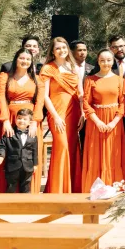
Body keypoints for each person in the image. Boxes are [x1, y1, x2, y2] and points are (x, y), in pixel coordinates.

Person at [0, 48, 46, 193]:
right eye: (21, 58)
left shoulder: (37, 80)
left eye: (28, 59)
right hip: (10, 117)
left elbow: (40, 102)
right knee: (9, 151)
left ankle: (28, 193)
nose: (24, 61)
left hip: (30, 119)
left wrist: (35, 122)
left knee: (29, 151)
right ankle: (7, 193)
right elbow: (0, 100)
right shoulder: (4, 77)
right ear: (16, 59)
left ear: (31, 62)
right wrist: (5, 120)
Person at [41, 37, 83, 193]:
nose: (61, 50)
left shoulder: (74, 68)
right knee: (62, 146)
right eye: (58, 48)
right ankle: (58, 189)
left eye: (64, 47)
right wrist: (56, 116)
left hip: (74, 113)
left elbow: (80, 93)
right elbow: (45, 96)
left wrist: (83, 113)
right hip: (56, 112)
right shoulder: (47, 68)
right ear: (52, 51)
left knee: (72, 147)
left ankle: (73, 188)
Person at [82, 49, 125, 190]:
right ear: (98, 61)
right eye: (102, 60)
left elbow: (123, 103)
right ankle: (95, 188)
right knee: (95, 154)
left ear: (113, 61)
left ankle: (114, 186)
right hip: (96, 121)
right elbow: (86, 103)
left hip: (114, 121)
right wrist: (98, 121)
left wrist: (113, 122)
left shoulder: (120, 80)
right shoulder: (90, 80)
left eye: (108, 60)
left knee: (113, 153)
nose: (105, 63)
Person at [0, 108, 39, 193]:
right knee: (11, 188)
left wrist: (35, 164)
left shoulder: (32, 134)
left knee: (26, 188)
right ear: (15, 119)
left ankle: (25, 205)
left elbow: (35, 150)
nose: (22, 121)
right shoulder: (9, 132)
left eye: (25, 119)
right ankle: (9, 205)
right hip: (12, 166)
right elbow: (2, 146)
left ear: (30, 122)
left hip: (27, 166)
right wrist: (1, 155)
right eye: (19, 118)